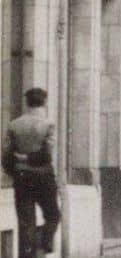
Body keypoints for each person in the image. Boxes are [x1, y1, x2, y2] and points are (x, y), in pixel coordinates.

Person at [4, 88, 60, 258]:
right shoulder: (48, 125)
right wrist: (30, 158)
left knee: (26, 222)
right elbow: (47, 155)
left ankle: (29, 254)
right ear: (44, 102)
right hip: (44, 176)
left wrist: (15, 170)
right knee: (53, 215)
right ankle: (43, 244)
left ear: (26, 103)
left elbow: (6, 154)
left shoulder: (14, 125)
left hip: (22, 177)